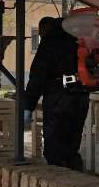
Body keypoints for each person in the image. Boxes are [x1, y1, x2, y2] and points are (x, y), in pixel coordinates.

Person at [23, 16, 89, 170]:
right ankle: (75, 176)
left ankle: (58, 178)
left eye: (41, 33)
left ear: (45, 29)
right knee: (72, 146)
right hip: (80, 97)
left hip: (58, 100)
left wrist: (28, 106)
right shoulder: (79, 40)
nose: (41, 36)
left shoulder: (49, 43)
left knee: (54, 148)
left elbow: (37, 76)